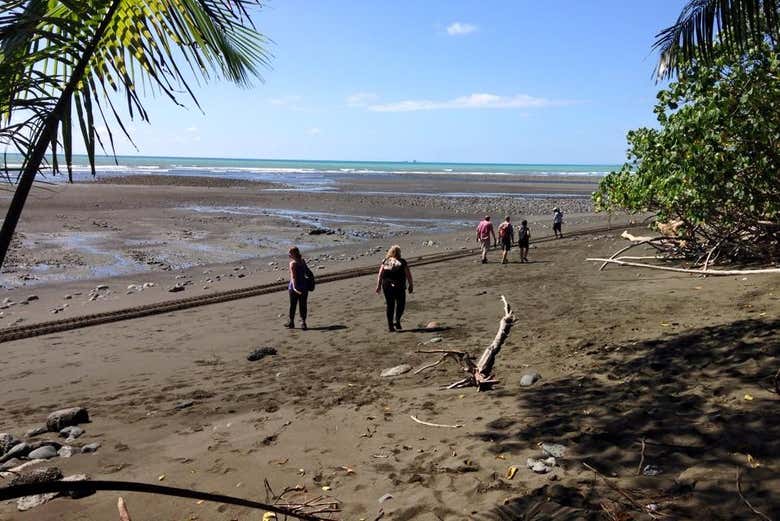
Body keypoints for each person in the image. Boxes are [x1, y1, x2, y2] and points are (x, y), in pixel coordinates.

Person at [375, 245, 413, 332]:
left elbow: (380, 274)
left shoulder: (385, 261)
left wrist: (378, 286)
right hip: (399, 285)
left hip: (387, 286)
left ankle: (390, 326)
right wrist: (411, 285)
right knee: (401, 304)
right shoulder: (402, 262)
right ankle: (397, 319)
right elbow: (408, 275)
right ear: (399, 252)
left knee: (390, 305)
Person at [286, 246, 310, 330]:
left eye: (290, 253)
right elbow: (307, 272)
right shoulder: (302, 261)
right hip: (304, 286)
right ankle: (303, 322)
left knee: (293, 305)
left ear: (293, 254)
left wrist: (295, 288)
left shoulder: (292, 263)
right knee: (303, 305)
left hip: (294, 287)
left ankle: (291, 322)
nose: (288, 254)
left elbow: (293, 277)